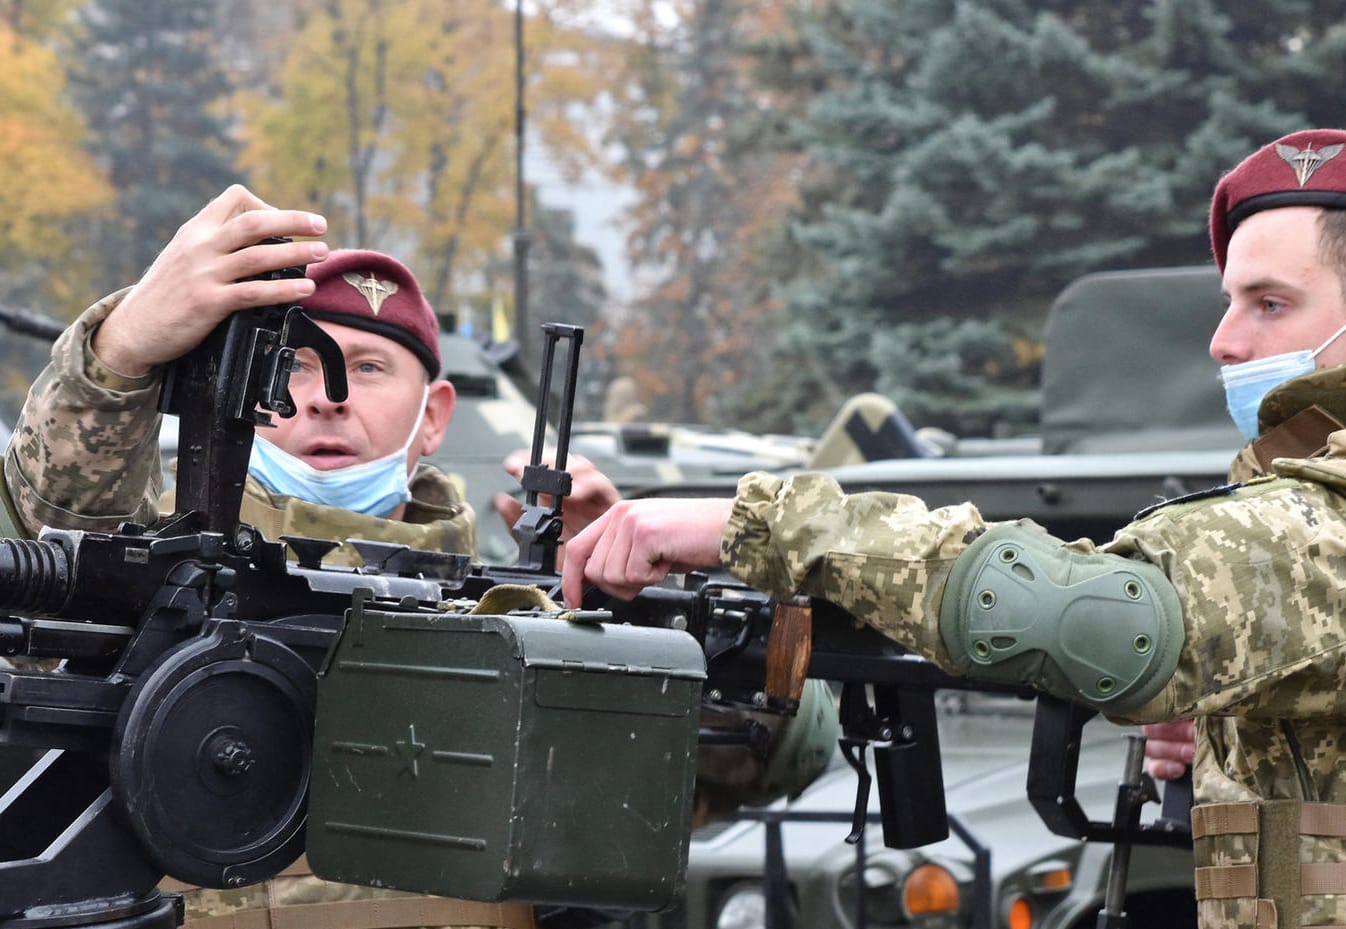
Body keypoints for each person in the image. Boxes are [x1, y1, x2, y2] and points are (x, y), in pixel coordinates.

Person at [559, 128, 1346, 929]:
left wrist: (766, 523)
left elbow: (1094, 619)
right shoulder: (1312, 502)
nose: (1222, 340)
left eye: (1270, 303)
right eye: (1229, 302)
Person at [1, 185, 834, 929]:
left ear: (433, 415)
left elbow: (778, 756)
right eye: (291, 364)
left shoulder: (516, 618)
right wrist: (117, 356)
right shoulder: (149, 582)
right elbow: (48, 533)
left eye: (366, 368)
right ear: (234, 394)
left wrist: (641, 612)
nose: (326, 395)